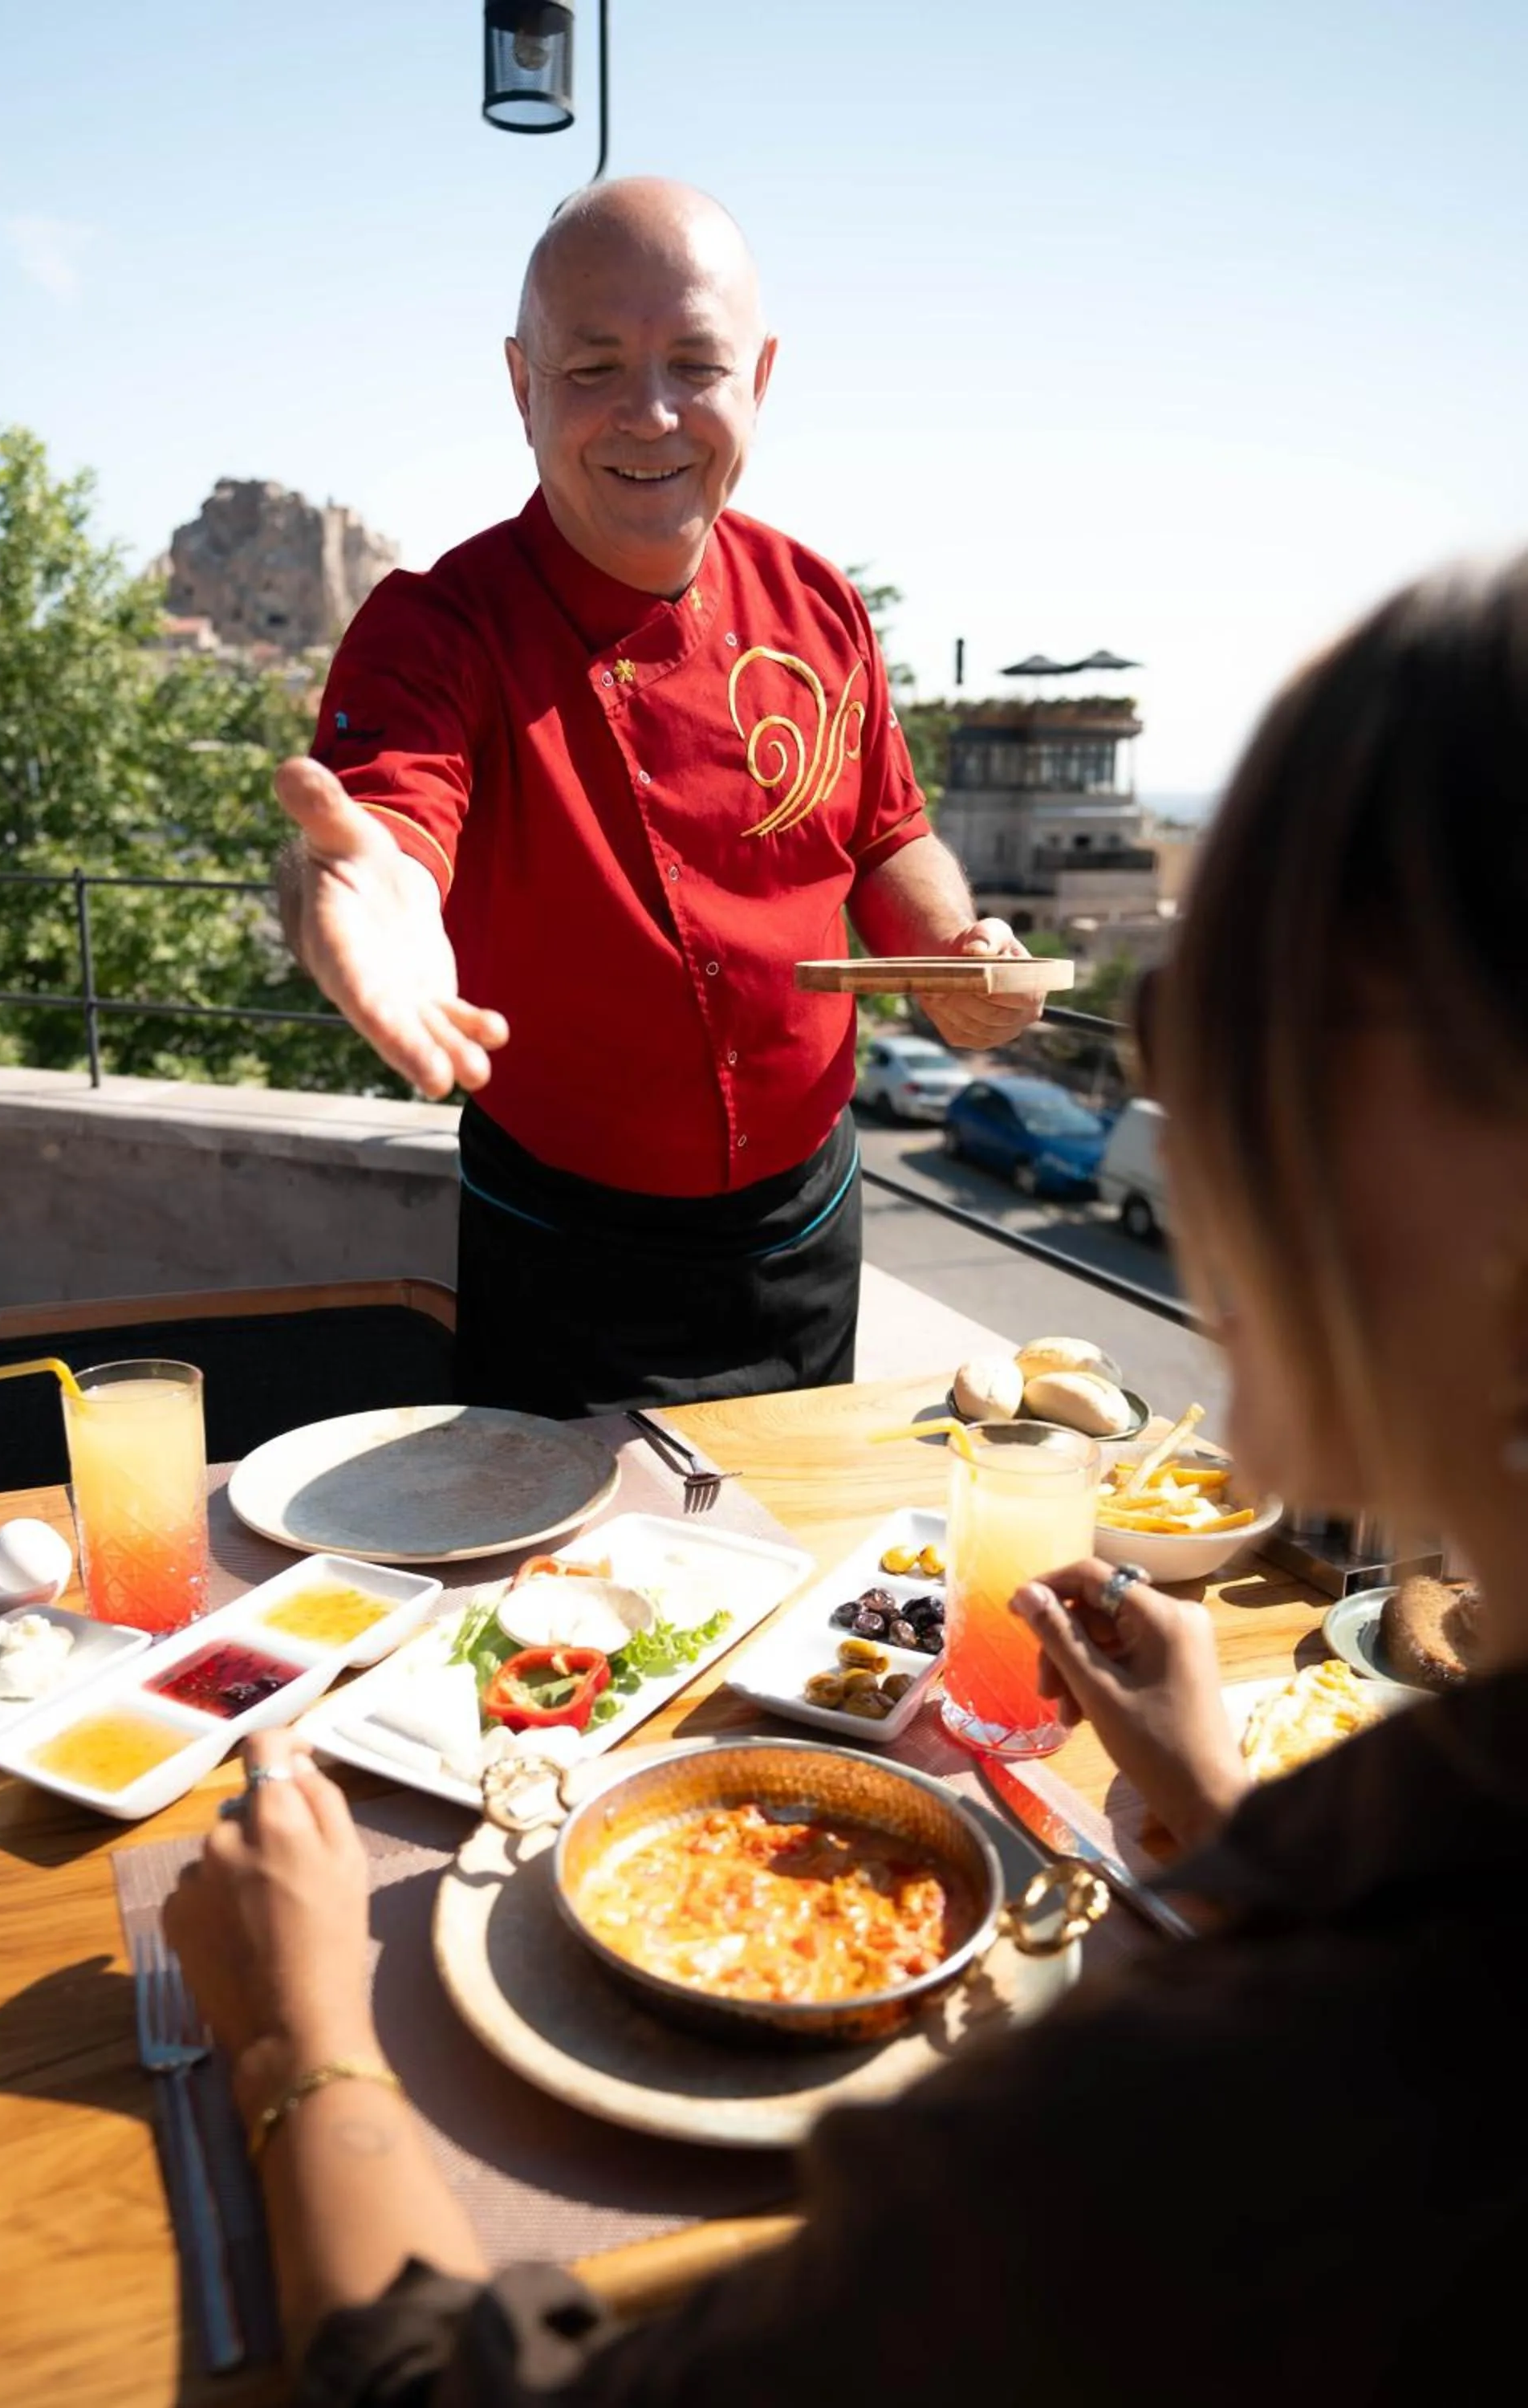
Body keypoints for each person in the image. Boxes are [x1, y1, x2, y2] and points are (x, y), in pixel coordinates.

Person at [172, 548, 1528, 2400]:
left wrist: (301, 2033)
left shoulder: (1185, 2126)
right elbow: (390, 824)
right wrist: (1232, 1810)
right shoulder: (451, 616)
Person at [273, 179, 1039, 1420]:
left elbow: (888, 834)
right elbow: (387, 826)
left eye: (695, 363)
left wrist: (949, 954)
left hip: (808, 1229)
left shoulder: (821, 602)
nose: (651, 413)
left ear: (762, 379)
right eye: (593, 368)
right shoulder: (436, 627)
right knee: (572, 1602)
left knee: (793, 1577)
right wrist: (361, 896)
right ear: (521, 386)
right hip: (563, 1247)